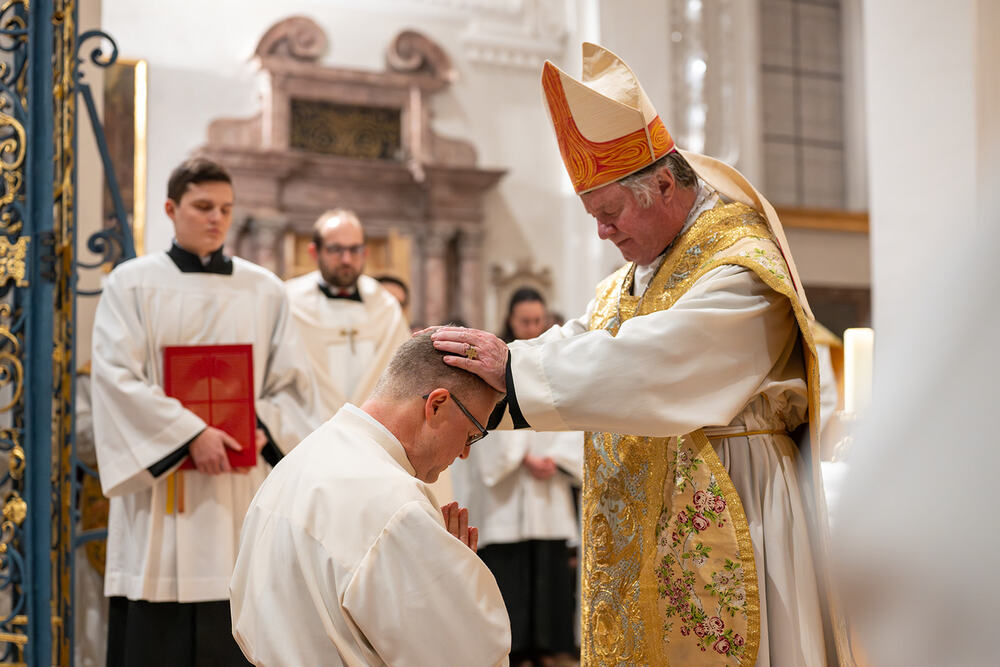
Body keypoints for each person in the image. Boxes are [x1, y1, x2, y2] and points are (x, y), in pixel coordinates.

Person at [432, 43, 842, 665]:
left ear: (661, 185)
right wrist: (495, 375)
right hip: (650, 517)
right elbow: (586, 339)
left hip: (736, 502)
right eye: (592, 214)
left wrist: (513, 369)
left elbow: (654, 361)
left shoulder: (740, 265)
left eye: (610, 211)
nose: (602, 231)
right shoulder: (637, 275)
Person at [91, 157, 319, 666]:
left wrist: (261, 429)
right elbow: (115, 378)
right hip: (163, 494)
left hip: (238, 484)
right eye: (202, 207)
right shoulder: (130, 284)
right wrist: (192, 434)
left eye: (225, 209)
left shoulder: (264, 288)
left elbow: (294, 388)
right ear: (171, 209)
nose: (216, 218)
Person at [230, 332, 512, 666]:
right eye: (471, 434)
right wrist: (457, 593)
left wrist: (443, 570)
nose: (464, 452)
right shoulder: (398, 508)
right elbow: (468, 657)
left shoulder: (294, 464)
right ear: (436, 405)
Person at [452, 287, 582, 667]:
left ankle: (549, 646)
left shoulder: (554, 360)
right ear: (510, 320)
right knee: (511, 570)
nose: (531, 327)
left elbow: (573, 417)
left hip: (548, 488)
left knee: (547, 570)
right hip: (507, 494)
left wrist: (556, 459)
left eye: (537, 321)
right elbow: (483, 424)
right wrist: (521, 455)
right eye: (524, 321)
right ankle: (514, 648)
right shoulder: (494, 364)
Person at [285, 210, 411, 421]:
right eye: (336, 250)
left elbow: (403, 374)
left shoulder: (385, 306)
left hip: (372, 429)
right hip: (305, 431)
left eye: (355, 249)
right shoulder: (288, 301)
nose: (346, 259)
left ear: (365, 252)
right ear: (314, 252)